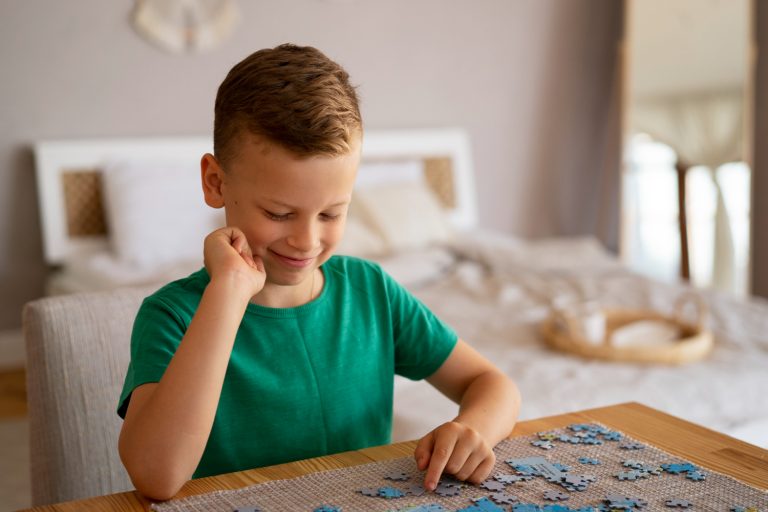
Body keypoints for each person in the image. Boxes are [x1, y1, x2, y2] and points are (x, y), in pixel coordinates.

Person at [117, 43, 521, 501]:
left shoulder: (372, 292)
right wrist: (227, 294)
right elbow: (156, 476)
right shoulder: (173, 316)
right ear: (216, 182)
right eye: (279, 212)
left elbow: (493, 385)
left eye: (331, 214)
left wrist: (473, 428)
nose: (307, 241)